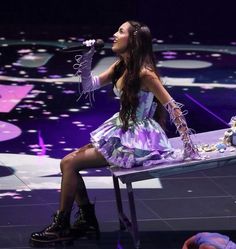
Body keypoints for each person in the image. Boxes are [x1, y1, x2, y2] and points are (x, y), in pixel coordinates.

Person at [30, 20, 200, 246]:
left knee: (69, 163)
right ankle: (84, 221)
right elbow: (88, 86)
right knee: (67, 163)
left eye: (120, 31)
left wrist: (189, 146)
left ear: (133, 40)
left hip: (137, 139)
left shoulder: (144, 73)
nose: (114, 34)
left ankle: (65, 224)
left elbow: (172, 106)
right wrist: (87, 56)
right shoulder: (121, 66)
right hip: (122, 129)